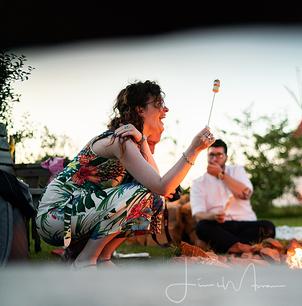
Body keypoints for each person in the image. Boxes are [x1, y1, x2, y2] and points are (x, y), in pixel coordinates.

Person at [35, 80, 215, 268]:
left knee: (154, 200)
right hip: (55, 218)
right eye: (159, 104)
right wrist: (194, 149)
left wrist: (144, 141)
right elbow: (162, 185)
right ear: (140, 110)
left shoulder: (131, 141)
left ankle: (104, 257)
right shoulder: (120, 140)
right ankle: (85, 260)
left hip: (74, 216)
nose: (166, 109)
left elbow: (158, 188)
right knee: (145, 192)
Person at [190, 139, 275, 254]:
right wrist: (213, 216)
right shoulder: (198, 182)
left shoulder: (237, 171)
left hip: (245, 222)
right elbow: (198, 214)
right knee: (202, 227)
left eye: (219, 155)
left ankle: (231, 246)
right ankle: (243, 247)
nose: (215, 159)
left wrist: (221, 174)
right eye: (211, 155)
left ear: (226, 157)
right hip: (221, 226)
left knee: (268, 227)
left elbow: (246, 194)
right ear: (207, 157)